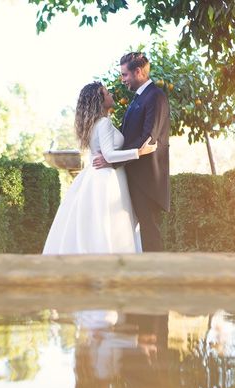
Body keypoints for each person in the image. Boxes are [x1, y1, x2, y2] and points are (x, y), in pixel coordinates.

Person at [42, 81, 157, 254]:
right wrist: (138, 152)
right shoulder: (103, 123)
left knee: (96, 224)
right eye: (107, 93)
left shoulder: (92, 124)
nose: (111, 95)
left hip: (96, 176)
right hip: (107, 179)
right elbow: (109, 155)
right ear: (100, 100)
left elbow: (98, 154)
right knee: (111, 223)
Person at [93, 52, 171, 252]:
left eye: (125, 75)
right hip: (135, 177)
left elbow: (148, 138)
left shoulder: (155, 96)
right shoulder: (139, 98)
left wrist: (113, 160)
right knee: (136, 234)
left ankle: (156, 278)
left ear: (138, 72)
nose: (122, 80)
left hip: (147, 179)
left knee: (150, 232)